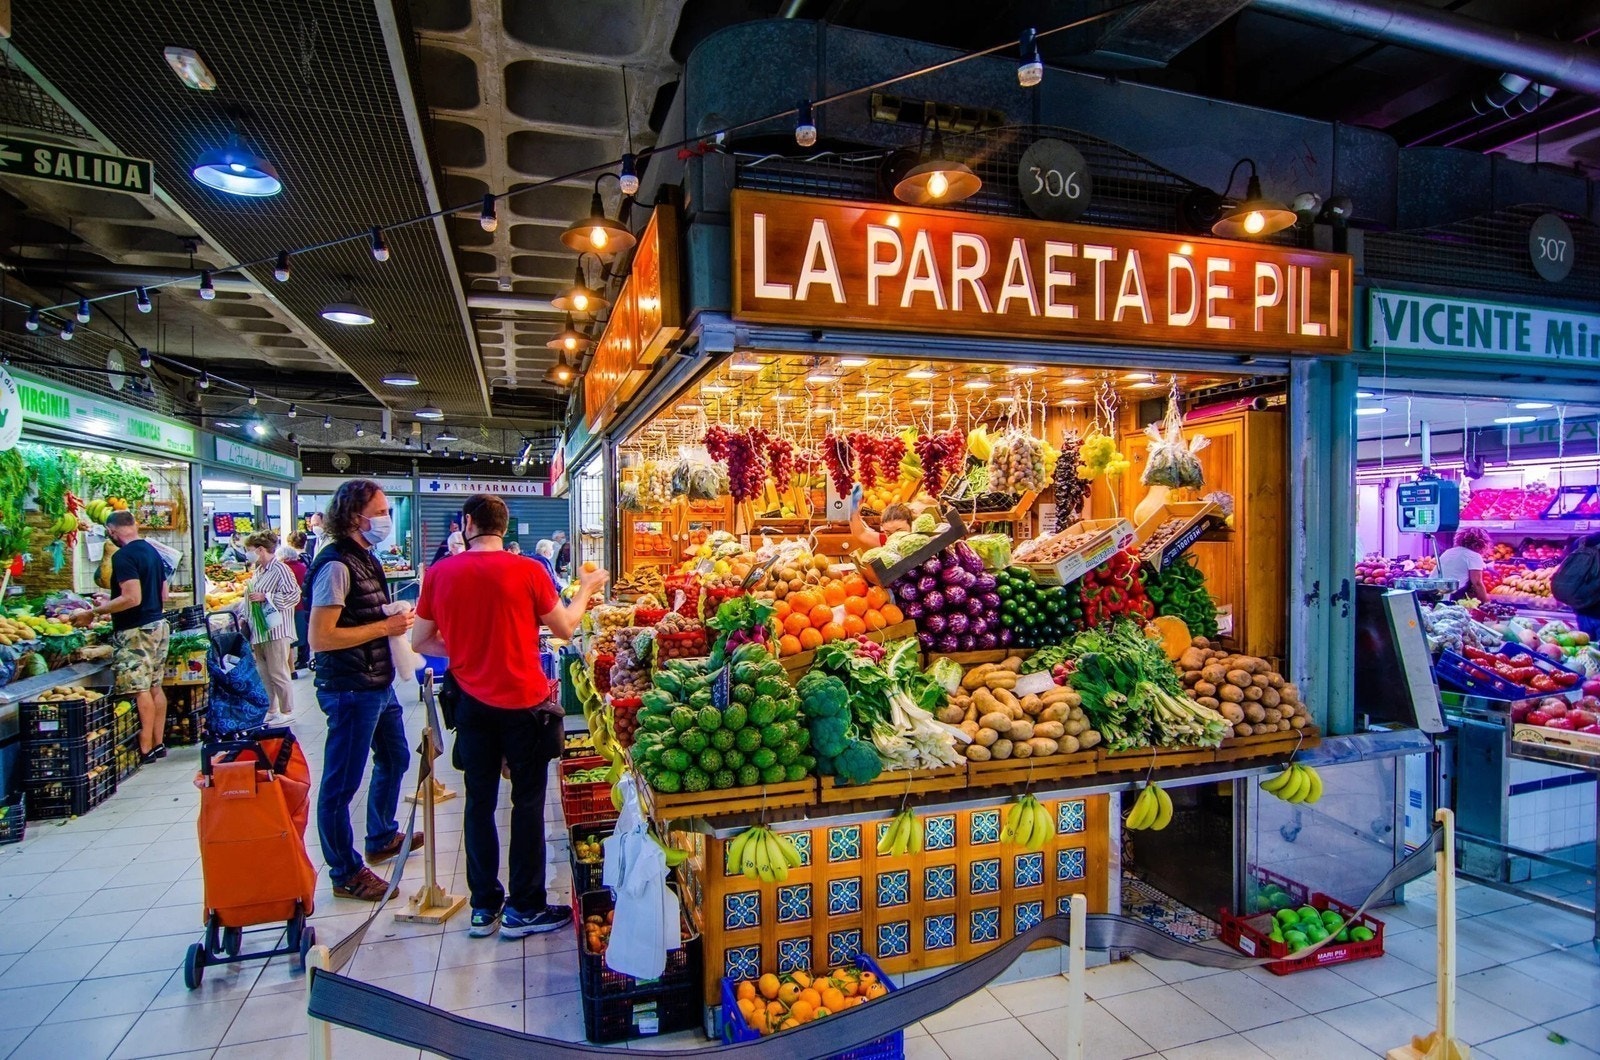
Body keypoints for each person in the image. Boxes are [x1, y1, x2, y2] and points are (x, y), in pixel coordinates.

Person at [412, 493, 609, 938]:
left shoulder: (440, 572)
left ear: (467, 524)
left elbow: (420, 642)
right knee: (527, 804)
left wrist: (465, 652)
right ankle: (525, 907)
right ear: (505, 526)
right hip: (524, 705)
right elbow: (564, 627)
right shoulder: (527, 570)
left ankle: (484, 907)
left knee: (478, 802)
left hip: (471, 705)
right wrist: (587, 591)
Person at [307, 480, 421, 902]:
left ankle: (381, 835)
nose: (386, 518)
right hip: (351, 688)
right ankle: (345, 870)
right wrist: (385, 627)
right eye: (381, 510)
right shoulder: (336, 564)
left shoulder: (364, 558)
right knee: (341, 783)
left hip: (376, 680)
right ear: (357, 516)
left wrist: (391, 619)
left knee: (395, 756)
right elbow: (321, 637)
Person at [72, 511, 170, 761]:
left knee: (140, 690)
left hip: (135, 630)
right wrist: (112, 600)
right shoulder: (152, 551)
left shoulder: (123, 556)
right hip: (157, 624)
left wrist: (94, 611)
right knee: (155, 686)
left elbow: (132, 598)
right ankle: (159, 743)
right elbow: (163, 595)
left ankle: (145, 747)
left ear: (112, 532)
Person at [243, 531, 301, 723]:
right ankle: (271, 708)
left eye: (249, 550)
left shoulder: (281, 569)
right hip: (259, 631)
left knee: (278, 671)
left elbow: (294, 595)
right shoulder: (259, 571)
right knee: (264, 672)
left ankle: (287, 711)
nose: (247, 554)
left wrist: (266, 597)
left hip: (276, 629)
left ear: (260, 550)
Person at [284, 532, 313, 673]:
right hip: (305, 600)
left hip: (294, 604)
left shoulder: (289, 566)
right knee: (304, 629)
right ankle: (303, 657)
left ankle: (294, 664)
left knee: (293, 632)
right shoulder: (307, 559)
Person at [850, 489, 915, 551]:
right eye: (889, 534)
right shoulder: (885, 541)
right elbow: (861, 533)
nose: (895, 537)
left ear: (911, 526)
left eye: (900, 531)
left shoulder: (922, 541)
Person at [1438, 526, 1491, 601]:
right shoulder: (1473, 556)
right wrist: (1486, 601)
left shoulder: (1449, 552)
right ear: (1482, 543)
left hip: (1435, 594)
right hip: (1451, 597)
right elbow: (1477, 583)